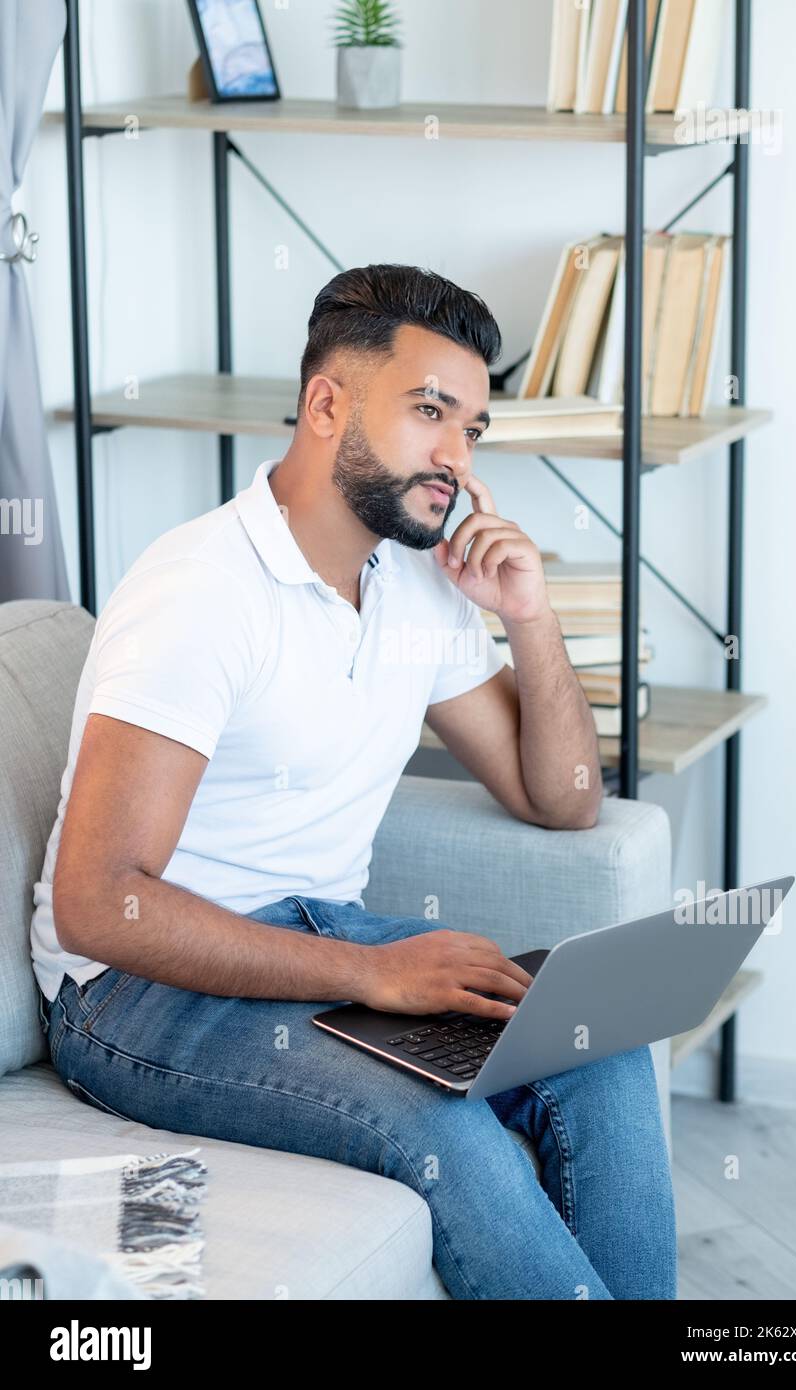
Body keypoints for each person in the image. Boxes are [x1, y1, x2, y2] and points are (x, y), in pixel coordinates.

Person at [32, 263, 676, 1299]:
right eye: (430, 413)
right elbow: (101, 902)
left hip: (317, 933)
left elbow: (561, 796)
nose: (456, 460)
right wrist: (371, 974)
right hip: (134, 995)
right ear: (328, 404)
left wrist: (528, 612)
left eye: (471, 427)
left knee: (597, 1050)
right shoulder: (200, 590)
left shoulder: (415, 580)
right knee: (442, 1122)